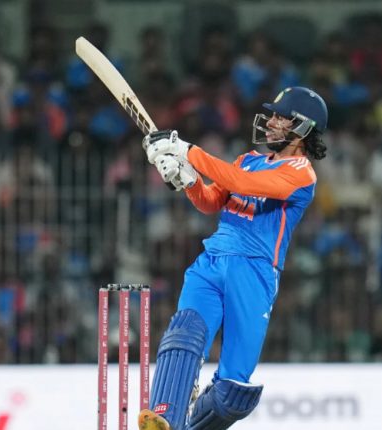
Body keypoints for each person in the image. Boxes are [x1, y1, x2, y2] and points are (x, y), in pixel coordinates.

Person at [137, 87, 328, 430]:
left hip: (253, 272)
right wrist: (187, 179)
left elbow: (242, 183)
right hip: (212, 261)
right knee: (185, 335)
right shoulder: (247, 159)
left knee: (232, 390)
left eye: (281, 117)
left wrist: (186, 151)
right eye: (272, 115)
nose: (271, 122)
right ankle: (165, 417)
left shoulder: (302, 173)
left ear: (303, 127)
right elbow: (211, 201)